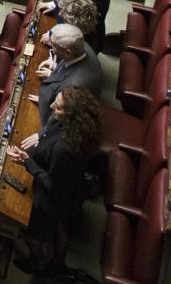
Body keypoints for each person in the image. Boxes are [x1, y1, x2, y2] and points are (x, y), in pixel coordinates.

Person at [8, 86, 102, 273]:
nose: (51, 106)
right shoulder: (80, 127)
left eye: (58, 107)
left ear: (71, 115)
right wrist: (40, 137)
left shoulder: (63, 149)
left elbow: (53, 184)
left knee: (35, 231)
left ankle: (38, 261)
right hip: (72, 184)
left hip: (52, 199)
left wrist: (27, 162)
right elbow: (49, 128)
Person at [35, 23, 101, 120]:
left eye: (53, 45)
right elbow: (66, 63)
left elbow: (63, 118)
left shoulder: (74, 86)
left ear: (67, 52)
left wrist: (45, 101)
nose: (51, 49)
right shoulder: (81, 46)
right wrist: (53, 72)